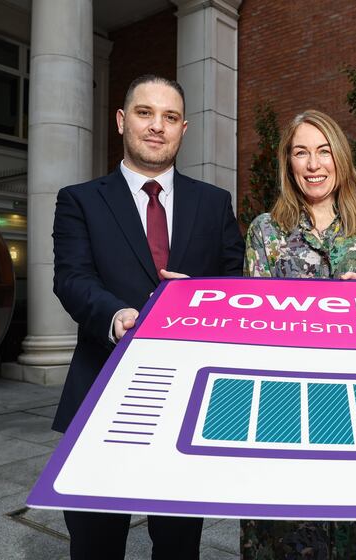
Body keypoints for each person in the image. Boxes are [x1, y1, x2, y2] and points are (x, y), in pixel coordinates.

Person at [52, 74, 244, 559]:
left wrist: (202, 298)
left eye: (170, 117)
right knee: (96, 544)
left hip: (187, 404)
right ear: (121, 121)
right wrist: (116, 314)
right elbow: (71, 278)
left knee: (179, 546)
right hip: (102, 395)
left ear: (185, 129)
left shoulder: (214, 202)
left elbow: (236, 284)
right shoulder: (80, 200)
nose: (157, 126)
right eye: (145, 113)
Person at [242, 109, 356, 559]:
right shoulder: (265, 232)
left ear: (340, 159)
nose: (313, 164)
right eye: (301, 152)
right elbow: (250, 333)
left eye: (323, 151)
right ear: (288, 163)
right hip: (282, 414)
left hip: (354, 414)